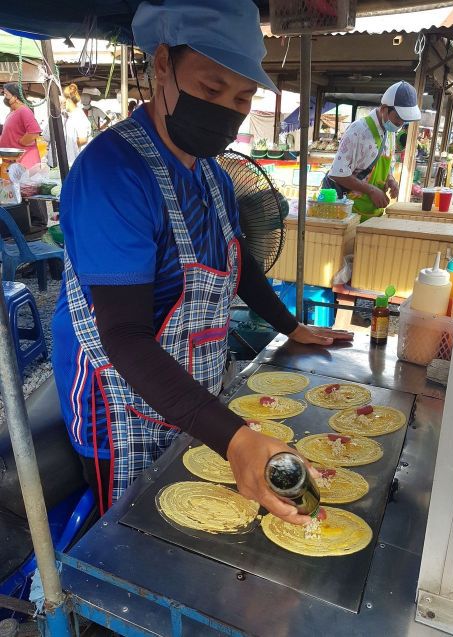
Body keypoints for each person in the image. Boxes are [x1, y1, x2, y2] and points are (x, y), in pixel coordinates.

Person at [51, 0, 352, 522]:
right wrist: (234, 439)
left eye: (241, 98)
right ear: (163, 63)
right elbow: (121, 334)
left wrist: (291, 326)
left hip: (189, 397)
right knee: (126, 534)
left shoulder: (212, 175)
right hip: (117, 402)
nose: (226, 110)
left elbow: (238, 265)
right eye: (211, 89)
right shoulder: (113, 173)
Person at [322, 82, 421, 221]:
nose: (401, 124)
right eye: (398, 117)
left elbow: (384, 166)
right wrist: (372, 190)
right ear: (385, 109)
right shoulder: (359, 131)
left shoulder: (390, 132)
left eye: (404, 120)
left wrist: (391, 180)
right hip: (346, 213)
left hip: (371, 213)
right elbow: (338, 173)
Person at [0, 82, 42, 168]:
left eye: (6, 94)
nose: (4, 97)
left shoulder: (24, 110)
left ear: (15, 97)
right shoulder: (12, 113)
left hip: (25, 162)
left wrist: (21, 142)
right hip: (14, 162)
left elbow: (34, 132)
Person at [62, 83, 92, 166]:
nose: (62, 101)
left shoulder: (78, 115)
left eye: (63, 98)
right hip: (71, 159)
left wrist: (67, 147)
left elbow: (83, 139)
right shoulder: (69, 115)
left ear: (68, 100)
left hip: (76, 160)